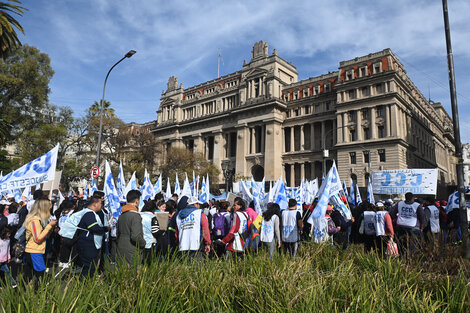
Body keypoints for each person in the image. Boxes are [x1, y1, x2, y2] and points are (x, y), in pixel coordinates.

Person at [23, 198, 57, 287]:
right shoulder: (35, 221)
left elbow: (44, 236)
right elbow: (38, 239)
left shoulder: (38, 220)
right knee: (40, 275)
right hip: (34, 251)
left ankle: (19, 293)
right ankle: (39, 294)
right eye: (49, 208)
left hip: (35, 251)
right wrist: (49, 226)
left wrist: (50, 228)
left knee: (28, 275)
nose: (50, 209)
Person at [75, 196, 109, 277]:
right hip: (87, 244)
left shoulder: (91, 213)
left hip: (89, 243)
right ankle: (83, 283)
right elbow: (94, 228)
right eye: (101, 203)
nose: (102, 206)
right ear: (95, 204)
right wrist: (105, 229)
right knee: (90, 267)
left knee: (91, 266)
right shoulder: (89, 214)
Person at [116, 190, 146, 266]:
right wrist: (143, 243)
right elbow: (135, 236)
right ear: (136, 201)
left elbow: (118, 233)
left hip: (121, 247)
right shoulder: (135, 216)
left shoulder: (122, 215)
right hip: (132, 249)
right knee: (134, 273)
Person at [140, 200, 159, 264]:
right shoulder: (153, 217)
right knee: (149, 262)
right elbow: (155, 231)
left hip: (139, 242)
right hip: (150, 242)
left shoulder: (139, 215)